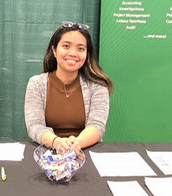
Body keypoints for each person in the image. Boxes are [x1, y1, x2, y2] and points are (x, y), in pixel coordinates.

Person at [24, 22, 113, 154]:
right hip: (48, 153)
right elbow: (34, 126)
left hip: (85, 152)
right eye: (66, 46)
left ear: (87, 54)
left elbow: (97, 126)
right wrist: (57, 142)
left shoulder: (97, 87)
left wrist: (76, 144)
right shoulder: (36, 83)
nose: (73, 53)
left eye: (81, 49)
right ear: (54, 50)